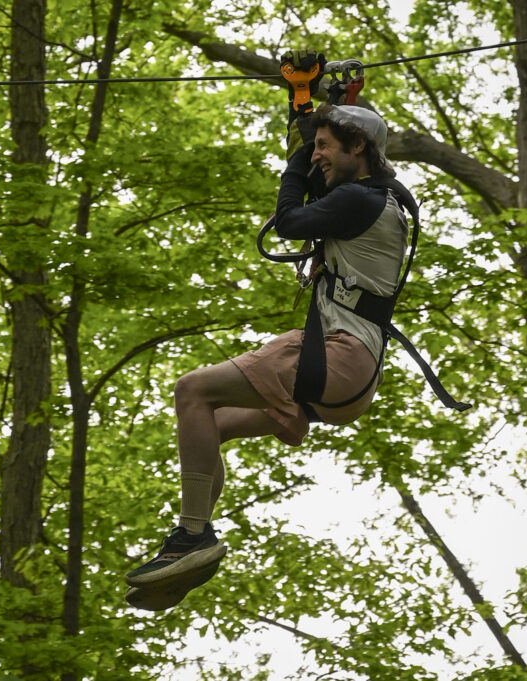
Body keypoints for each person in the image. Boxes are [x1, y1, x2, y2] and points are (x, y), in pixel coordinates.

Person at [124, 52, 410, 609]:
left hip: (336, 356)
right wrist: (308, 108)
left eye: (328, 146)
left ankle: (191, 535)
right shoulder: (377, 199)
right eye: (317, 146)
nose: (316, 155)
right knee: (211, 422)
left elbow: (290, 219)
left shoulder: (360, 198)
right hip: (353, 377)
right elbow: (329, 173)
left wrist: (298, 161)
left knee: (191, 389)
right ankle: (189, 551)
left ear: (360, 151)